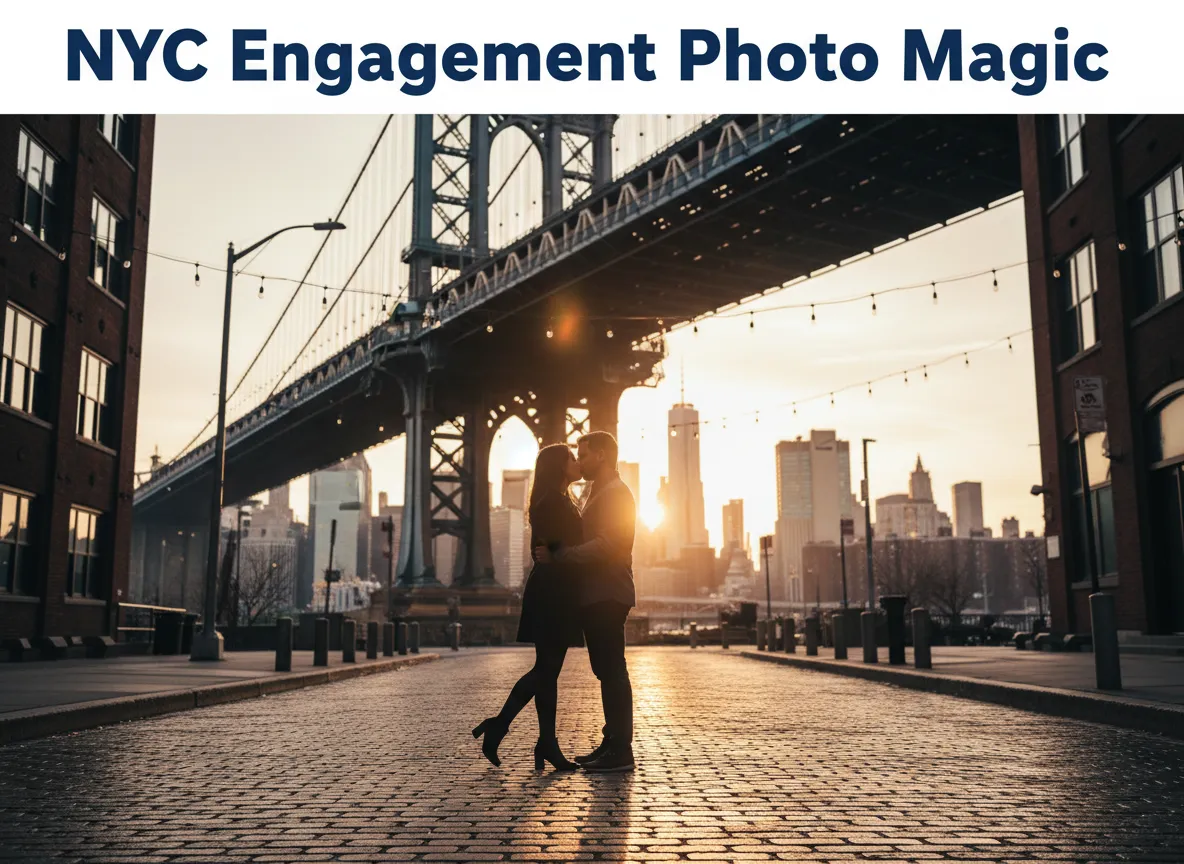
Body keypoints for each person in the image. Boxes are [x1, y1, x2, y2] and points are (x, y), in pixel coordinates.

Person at [472, 443, 585, 771]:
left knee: (548, 674)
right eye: (572, 458)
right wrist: (566, 553)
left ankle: (544, 742)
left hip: (557, 589)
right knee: (545, 672)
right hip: (552, 592)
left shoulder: (560, 498)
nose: (577, 462)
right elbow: (550, 545)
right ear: (559, 466)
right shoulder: (551, 501)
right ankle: (504, 727)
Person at [534, 430, 637, 773]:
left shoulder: (616, 494)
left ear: (603, 455)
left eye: (584, 455)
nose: (580, 462)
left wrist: (564, 554)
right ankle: (612, 742)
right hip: (597, 593)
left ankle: (621, 750)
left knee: (612, 669)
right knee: (605, 670)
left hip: (608, 591)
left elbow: (608, 544)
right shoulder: (599, 491)